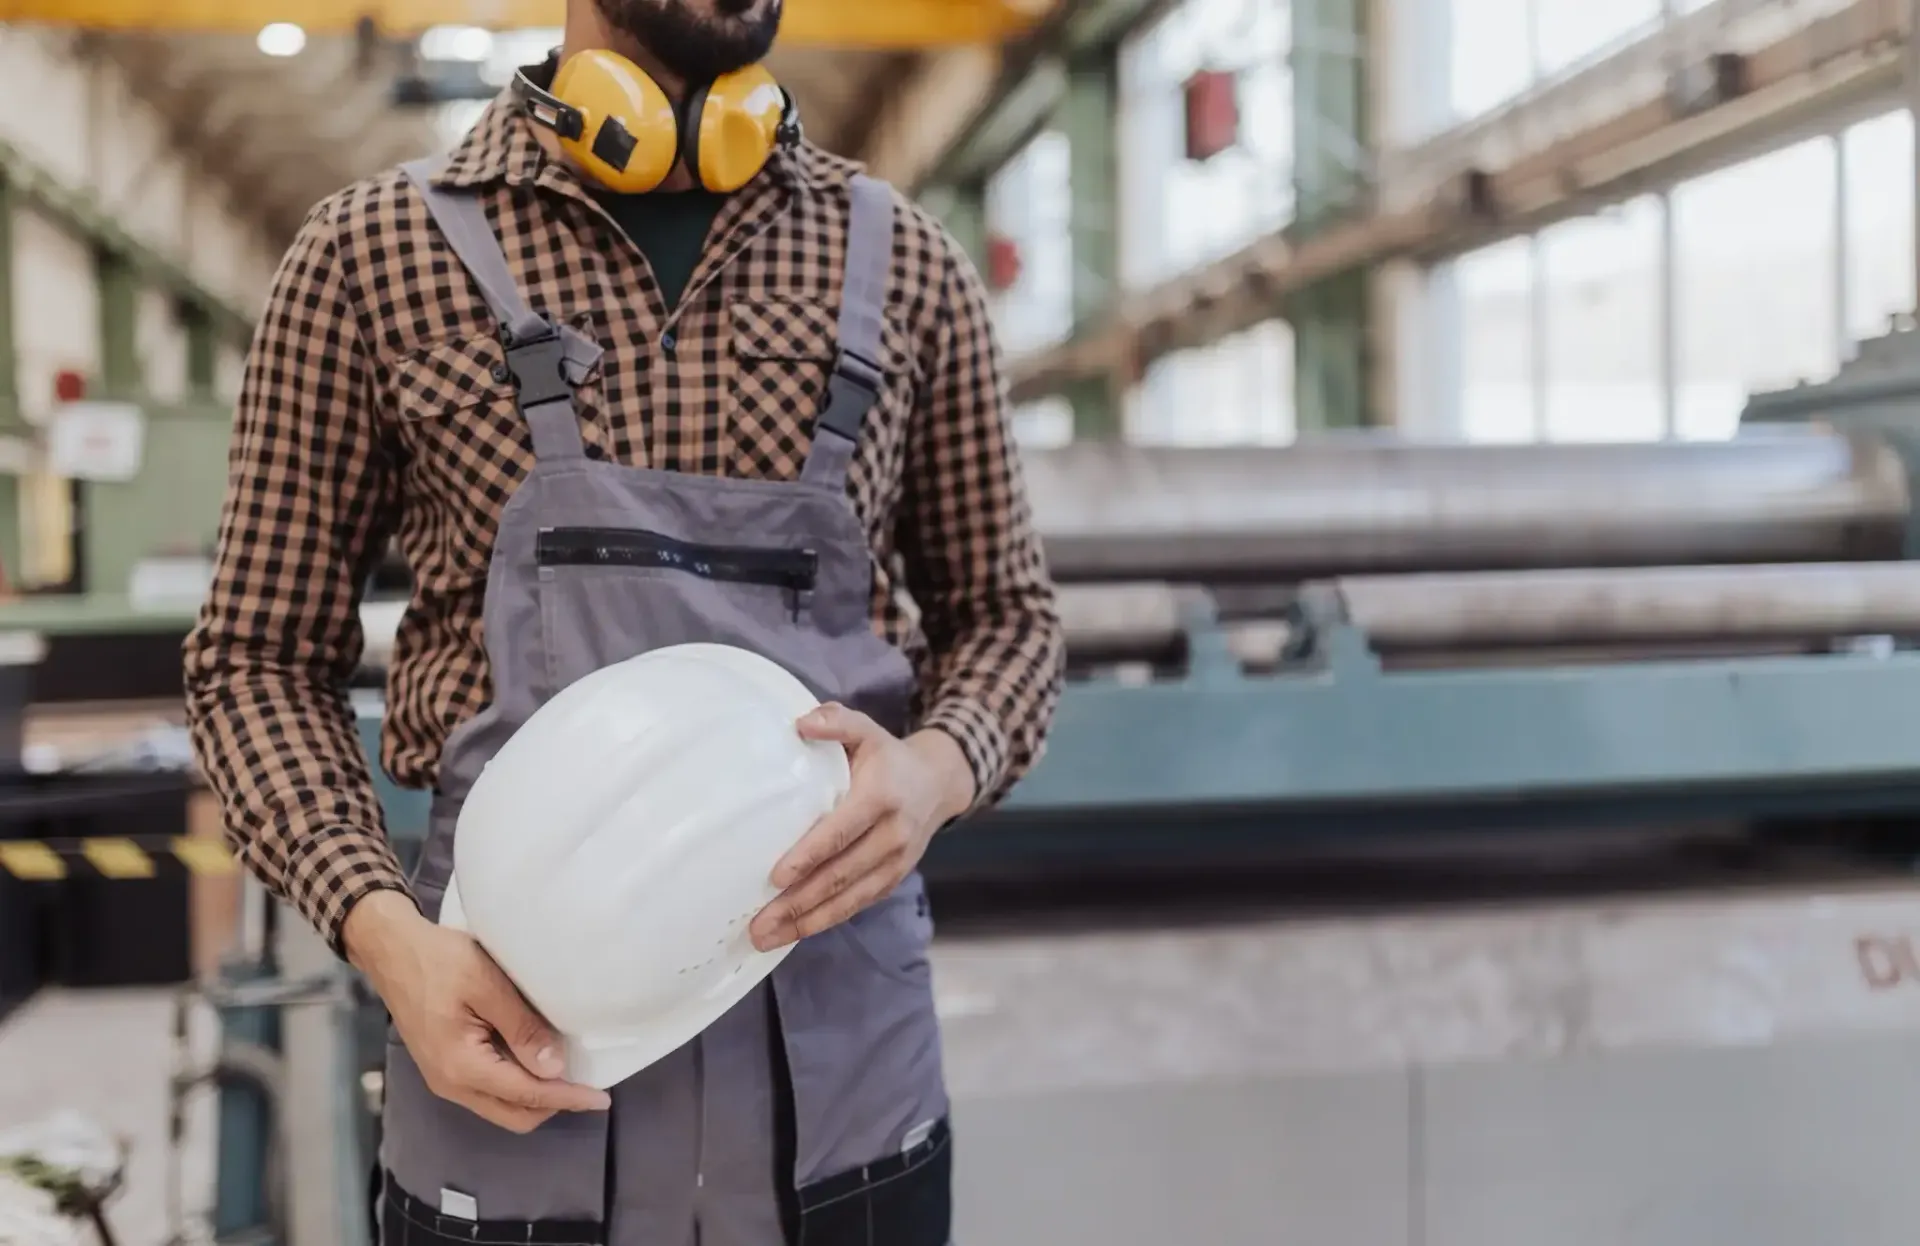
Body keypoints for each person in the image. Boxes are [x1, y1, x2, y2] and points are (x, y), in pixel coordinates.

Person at [180, 0, 1066, 1241]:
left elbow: (1009, 619)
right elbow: (254, 661)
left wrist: (933, 771)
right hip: (505, 1082)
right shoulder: (371, 251)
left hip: (849, 1101)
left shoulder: (906, 261)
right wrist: (388, 940)